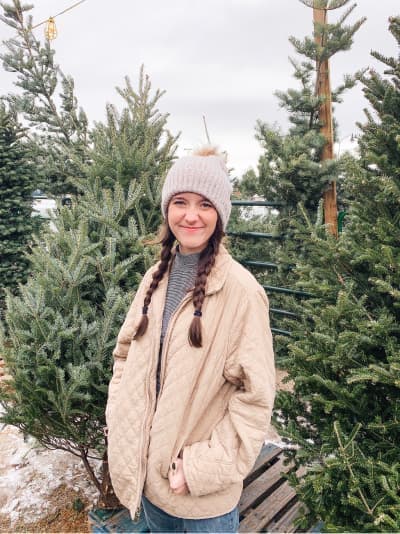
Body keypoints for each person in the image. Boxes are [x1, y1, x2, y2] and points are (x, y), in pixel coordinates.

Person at [105, 146, 275, 533]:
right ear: (168, 209)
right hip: (149, 484)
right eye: (180, 201)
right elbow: (125, 355)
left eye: (205, 204)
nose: (191, 215)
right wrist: (120, 418)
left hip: (202, 500)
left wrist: (201, 470)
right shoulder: (154, 279)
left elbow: (256, 397)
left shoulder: (242, 293)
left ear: (220, 214)